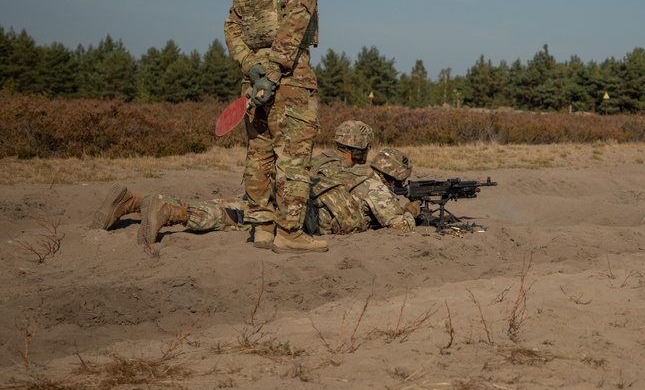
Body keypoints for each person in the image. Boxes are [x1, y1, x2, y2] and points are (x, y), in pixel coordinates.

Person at [93, 124, 421, 249]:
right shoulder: (372, 184)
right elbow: (399, 226)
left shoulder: (323, 160)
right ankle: (172, 211)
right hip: (297, 215)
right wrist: (411, 210)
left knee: (231, 205)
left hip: (276, 193)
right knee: (229, 218)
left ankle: (135, 201)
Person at [223, 0, 323, 253]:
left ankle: (262, 227)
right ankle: (290, 233)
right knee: (293, 157)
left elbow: (231, 29)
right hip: (290, 82)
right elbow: (292, 31)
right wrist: (275, 74)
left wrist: (252, 68)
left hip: (252, 83)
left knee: (260, 154)